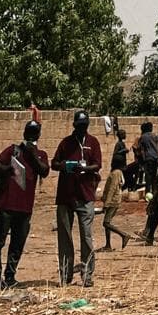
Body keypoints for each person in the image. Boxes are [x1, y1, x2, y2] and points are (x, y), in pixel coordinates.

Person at [0, 119, 50, 290]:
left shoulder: (41, 154)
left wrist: (32, 154)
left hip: (25, 207)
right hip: (6, 205)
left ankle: (10, 276)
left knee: (17, 243)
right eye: (29, 132)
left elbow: (44, 171)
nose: (31, 136)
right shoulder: (13, 150)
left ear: (38, 135)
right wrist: (8, 169)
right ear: (24, 134)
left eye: (34, 133)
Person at [52, 110, 103, 287]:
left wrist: (86, 169)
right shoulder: (66, 143)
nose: (82, 128)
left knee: (86, 237)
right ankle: (65, 274)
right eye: (79, 125)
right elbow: (54, 163)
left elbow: (98, 164)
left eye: (84, 125)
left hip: (85, 195)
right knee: (65, 237)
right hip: (66, 196)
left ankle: (87, 274)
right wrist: (65, 166)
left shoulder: (93, 142)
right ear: (74, 125)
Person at [101, 162, 130, 251]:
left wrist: (107, 203)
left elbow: (112, 188)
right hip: (114, 200)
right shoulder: (119, 172)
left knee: (106, 223)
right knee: (107, 222)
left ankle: (123, 235)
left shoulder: (115, 173)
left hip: (113, 201)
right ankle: (108, 245)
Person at [136, 121, 158, 193]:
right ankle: (154, 192)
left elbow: (139, 148)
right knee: (154, 176)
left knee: (148, 177)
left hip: (148, 158)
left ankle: (148, 193)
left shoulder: (143, 137)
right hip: (155, 158)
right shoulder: (154, 136)